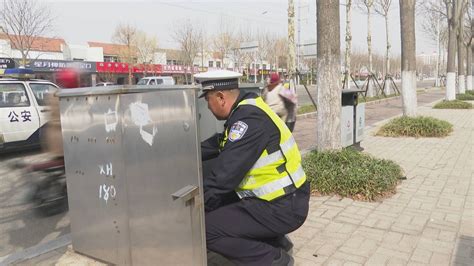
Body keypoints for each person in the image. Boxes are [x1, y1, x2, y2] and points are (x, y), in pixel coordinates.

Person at [197, 70, 309, 266]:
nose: (207, 106)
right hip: (284, 199)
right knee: (221, 210)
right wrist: (189, 152)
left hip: (282, 206)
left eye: (208, 99)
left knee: (205, 229)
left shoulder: (248, 122)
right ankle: (274, 242)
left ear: (221, 97)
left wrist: (194, 210)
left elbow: (223, 179)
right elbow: (221, 141)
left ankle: (273, 260)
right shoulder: (248, 109)